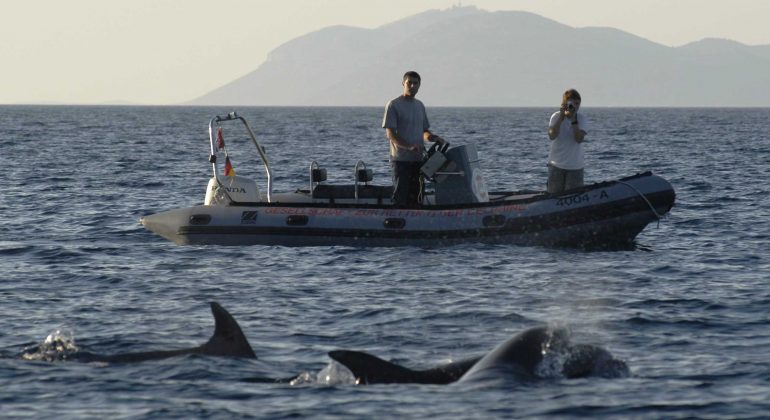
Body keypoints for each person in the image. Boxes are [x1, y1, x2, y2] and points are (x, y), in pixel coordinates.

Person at [382, 71, 445, 207]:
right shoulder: (393, 105)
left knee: (417, 195)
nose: (412, 85)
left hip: (418, 160)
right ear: (403, 84)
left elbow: (424, 131)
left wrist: (434, 138)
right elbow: (390, 134)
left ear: (419, 86)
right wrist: (408, 147)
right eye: (409, 82)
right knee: (401, 195)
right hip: (401, 160)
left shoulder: (419, 106)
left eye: (415, 83)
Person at [546, 89, 588, 193]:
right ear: (564, 103)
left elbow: (579, 139)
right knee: (554, 197)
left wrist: (574, 120)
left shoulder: (581, 119)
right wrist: (561, 117)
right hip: (556, 165)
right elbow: (552, 135)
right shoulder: (555, 117)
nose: (575, 106)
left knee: (574, 196)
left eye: (577, 104)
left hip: (575, 166)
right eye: (571, 103)